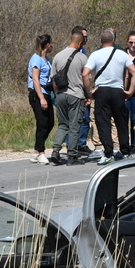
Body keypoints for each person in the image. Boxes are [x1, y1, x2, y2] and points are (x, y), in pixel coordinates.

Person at [83, 29, 135, 165]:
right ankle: (125, 151)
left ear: (101, 41)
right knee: (121, 122)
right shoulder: (122, 54)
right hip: (118, 91)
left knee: (103, 123)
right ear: (114, 41)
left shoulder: (95, 55)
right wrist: (130, 91)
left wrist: (89, 92)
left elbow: (85, 74)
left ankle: (108, 153)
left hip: (102, 91)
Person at [49, 28, 89, 166]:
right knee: (74, 125)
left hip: (60, 95)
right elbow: (86, 79)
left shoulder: (57, 56)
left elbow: (53, 79)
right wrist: (88, 95)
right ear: (79, 43)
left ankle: (55, 150)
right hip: (75, 95)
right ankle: (72, 155)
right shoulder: (82, 58)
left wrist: (56, 95)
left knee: (62, 124)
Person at [27, 34, 54, 165]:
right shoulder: (36, 59)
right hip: (37, 94)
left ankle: (36, 151)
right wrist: (41, 98)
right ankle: (41, 152)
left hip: (47, 93)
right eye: (51, 43)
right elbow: (35, 79)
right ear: (47, 44)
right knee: (42, 122)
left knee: (50, 122)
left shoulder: (47, 60)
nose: (52, 46)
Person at [74, 26, 93, 155]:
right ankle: (73, 146)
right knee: (73, 120)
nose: (86, 39)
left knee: (85, 118)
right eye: (84, 36)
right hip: (74, 91)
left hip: (83, 90)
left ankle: (81, 143)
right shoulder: (69, 52)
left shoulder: (83, 51)